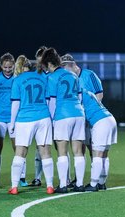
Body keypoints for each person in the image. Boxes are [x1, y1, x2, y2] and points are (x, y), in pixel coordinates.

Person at [40, 48, 86, 193]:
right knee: (78, 151)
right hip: (78, 113)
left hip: (62, 115)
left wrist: (52, 121)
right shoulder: (73, 75)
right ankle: (79, 184)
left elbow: (52, 102)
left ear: (48, 63)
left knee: (62, 151)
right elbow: (79, 97)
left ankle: (63, 185)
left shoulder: (51, 78)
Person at [8, 55, 54, 195]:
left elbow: (15, 103)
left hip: (25, 119)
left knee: (20, 152)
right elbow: (48, 101)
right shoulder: (42, 77)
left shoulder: (17, 80)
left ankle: (14, 187)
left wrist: (12, 122)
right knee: (45, 152)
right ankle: (50, 186)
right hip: (43, 117)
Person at [61, 53, 104, 188]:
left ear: (73, 65)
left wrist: (90, 112)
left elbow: (99, 93)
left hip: (91, 117)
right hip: (79, 117)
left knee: (94, 147)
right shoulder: (69, 78)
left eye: (65, 68)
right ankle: (78, 178)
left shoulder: (89, 74)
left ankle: (96, 179)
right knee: (80, 148)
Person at [0, 53, 28, 187]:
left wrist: (12, 114)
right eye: (5, 67)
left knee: (18, 147)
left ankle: (21, 178)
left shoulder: (18, 79)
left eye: (10, 67)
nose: (7, 69)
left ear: (13, 66)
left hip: (14, 119)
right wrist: (1, 109)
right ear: (1, 66)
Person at [81, 89, 117, 191]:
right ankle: (101, 183)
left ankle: (93, 184)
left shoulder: (77, 93)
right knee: (104, 154)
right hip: (110, 119)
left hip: (100, 121)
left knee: (97, 154)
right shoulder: (88, 92)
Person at [28, 46, 48, 187]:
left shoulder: (53, 74)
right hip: (40, 115)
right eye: (38, 60)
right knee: (39, 147)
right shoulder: (35, 75)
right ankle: (37, 177)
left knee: (61, 147)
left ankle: (65, 179)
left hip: (56, 115)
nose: (39, 63)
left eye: (42, 60)